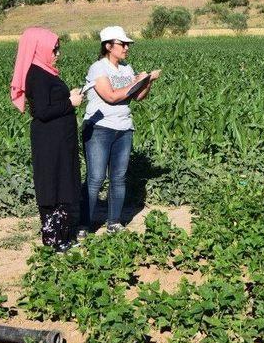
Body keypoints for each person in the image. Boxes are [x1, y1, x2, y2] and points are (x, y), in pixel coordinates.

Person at [79, 26, 161, 237]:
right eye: (122, 44)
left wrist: (147, 82)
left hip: (124, 128)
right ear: (108, 46)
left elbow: (138, 97)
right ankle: (84, 224)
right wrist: (137, 82)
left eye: (127, 44)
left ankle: (113, 222)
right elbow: (111, 96)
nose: (126, 48)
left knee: (118, 177)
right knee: (96, 178)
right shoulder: (98, 68)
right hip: (99, 128)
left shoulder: (126, 68)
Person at [10, 27, 83, 253]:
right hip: (51, 142)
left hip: (58, 140)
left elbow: (50, 102)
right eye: (54, 49)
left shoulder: (45, 72)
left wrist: (67, 95)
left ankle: (62, 235)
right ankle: (54, 239)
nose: (57, 53)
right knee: (54, 185)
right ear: (39, 48)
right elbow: (41, 111)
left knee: (61, 182)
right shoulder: (37, 75)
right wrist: (70, 102)